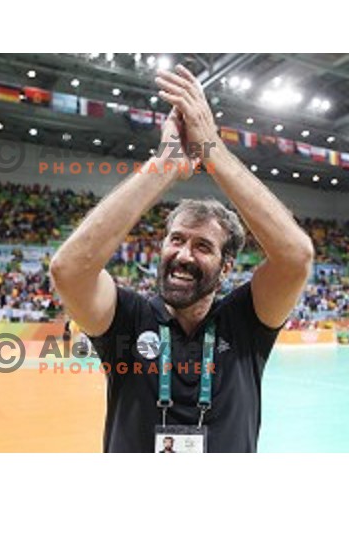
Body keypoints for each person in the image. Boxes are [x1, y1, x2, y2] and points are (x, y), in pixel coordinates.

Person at [51, 64, 314, 453]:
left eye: (203, 246)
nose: (183, 255)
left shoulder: (245, 323)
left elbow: (296, 257)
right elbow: (67, 269)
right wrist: (165, 166)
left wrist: (212, 149)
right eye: (175, 240)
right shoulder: (128, 317)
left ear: (226, 267)